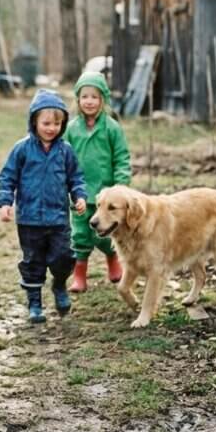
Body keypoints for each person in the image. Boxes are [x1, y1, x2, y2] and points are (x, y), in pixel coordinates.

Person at [0, 90, 87, 324]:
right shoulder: (22, 149)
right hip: (29, 220)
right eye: (46, 123)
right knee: (33, 261)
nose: (51, 128)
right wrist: (5, 202)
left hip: (58, 219)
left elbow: (75, 177)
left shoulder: (65, 151)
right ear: (34, 121)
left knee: (63, 257)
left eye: (57, 123)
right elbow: (7, 177)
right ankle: (35, 302)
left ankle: (59, 285)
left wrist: (79, 196)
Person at [64, 71, 132, 292]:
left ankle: (113, 263)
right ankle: (79, 276)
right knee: (80, 234)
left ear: (103, 99)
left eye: (94, 96)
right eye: (85, 97)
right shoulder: (71, 129)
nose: (89, 101)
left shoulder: (111, 127)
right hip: (80, 193)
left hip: (107, 195)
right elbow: (63, 159)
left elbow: (122, 157)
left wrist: (121, 185)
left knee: (107, 234)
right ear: (78, 100)